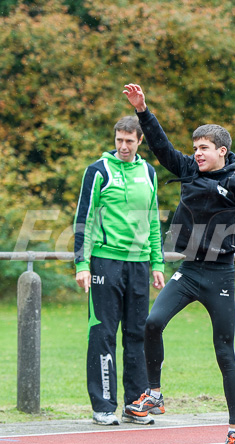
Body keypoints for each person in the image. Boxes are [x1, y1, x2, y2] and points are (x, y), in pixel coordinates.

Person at [121, 83, 235, 444]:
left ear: (221, 151)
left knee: (224, 352)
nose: (196, 154)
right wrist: (143, 110)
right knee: (152, 324)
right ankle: (156, 392)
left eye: (203, 149)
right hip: (189, 272)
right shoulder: (189, 171)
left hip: (220, 278)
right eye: (194, 148)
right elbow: (161, 147)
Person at [73, 115, 166, 426]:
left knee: (138, 334)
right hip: (104, 262)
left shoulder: (148, 172)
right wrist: (82, 264)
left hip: (139, 264)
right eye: (119, 141)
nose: (123, 146)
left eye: (129, 141)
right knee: (103, 333)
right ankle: (103, 405)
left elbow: (153, 221)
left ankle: (135, 404)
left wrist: (157, 262)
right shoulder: (98, 171)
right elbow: (83, 219)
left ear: (140, 141)